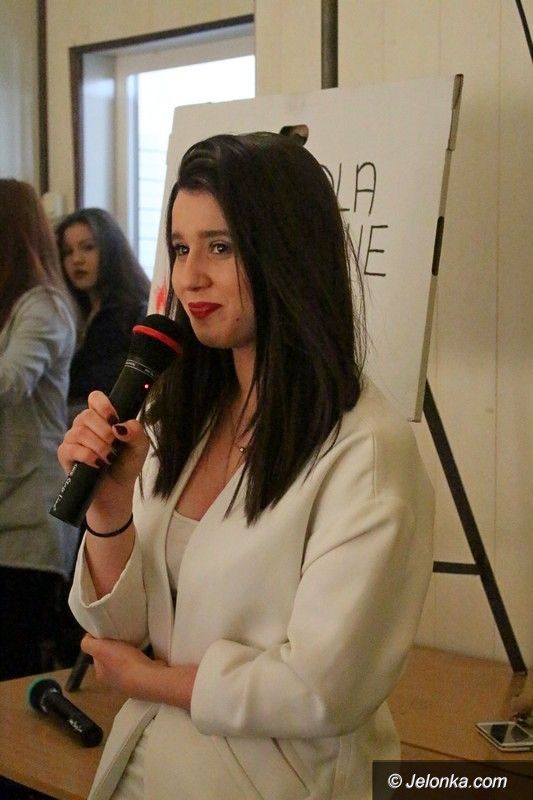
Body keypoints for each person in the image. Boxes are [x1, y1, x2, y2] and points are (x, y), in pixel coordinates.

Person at [61, 133, 435, 800]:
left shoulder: (366, 452)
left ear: (287, 254)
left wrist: (152, 681)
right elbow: (121, 632)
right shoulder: (178, 416)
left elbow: (320, 688)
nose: (190, 278)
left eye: (221, 247)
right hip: (146, 769)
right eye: (181, 248)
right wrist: (109, 511)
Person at [0, 179, 77, 680]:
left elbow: (10, 382)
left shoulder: (44, 306)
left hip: (28, 519)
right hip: (8, 505)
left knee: (12, 665)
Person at [56, 208, 150, 419]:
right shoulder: (69, 312)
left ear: (111, 250)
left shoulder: (134, 313)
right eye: (67, 252)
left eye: (88, 247)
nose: (76, 259)